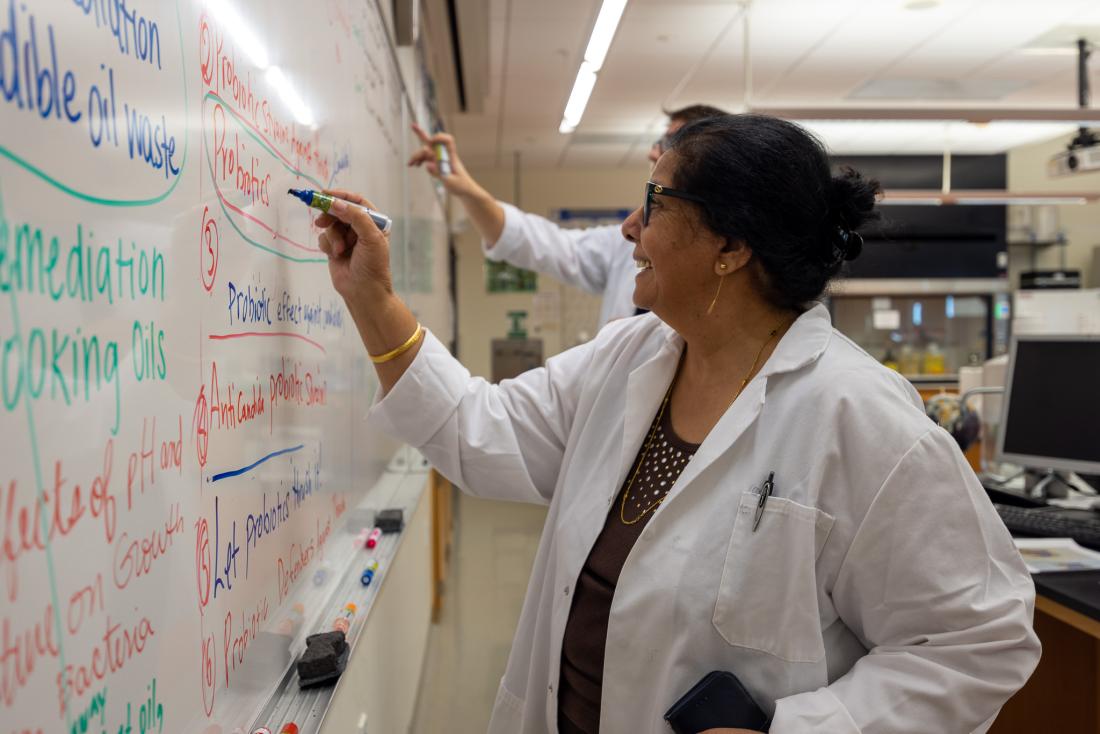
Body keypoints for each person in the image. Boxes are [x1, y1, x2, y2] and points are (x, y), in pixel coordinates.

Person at [316, 114, 1040, 734]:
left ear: (730, 247)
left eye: (653, 203)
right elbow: (479, 430)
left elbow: (979, 639)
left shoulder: (861, 418)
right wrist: (371, 297)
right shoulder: (628, 358)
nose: (630, 227)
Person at [408, 105, 727, 328]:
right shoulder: (623, 248)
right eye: (659, 141)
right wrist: (468, 191)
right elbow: (539, 243)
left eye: (671, 141)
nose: (653, 151)